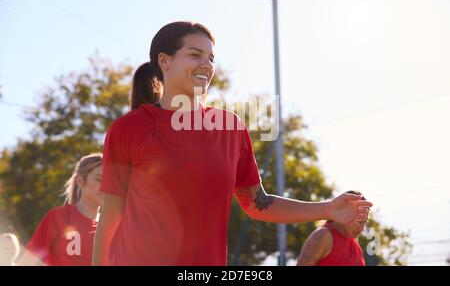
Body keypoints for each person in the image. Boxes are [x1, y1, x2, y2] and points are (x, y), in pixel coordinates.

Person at [93, 21, 372, 266]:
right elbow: (111, 217)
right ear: (164, 61)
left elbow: (258, 204)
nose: (207, 65)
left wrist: (327, 208)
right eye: (195, 55)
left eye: (211, 57)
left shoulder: (230, 127)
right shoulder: (128, 129)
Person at [17, 153, 103, 266]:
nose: (105, 186)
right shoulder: (58, 217)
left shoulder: (113, 225)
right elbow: (27, 262)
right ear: (80, 181)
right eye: (99, 179)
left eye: (110, 181)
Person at [297, 191, 368, 266]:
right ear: (344, 212)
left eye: (365, 222)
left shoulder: (356, 246)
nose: (362, 229)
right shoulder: (323, 236)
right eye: (359, 222)